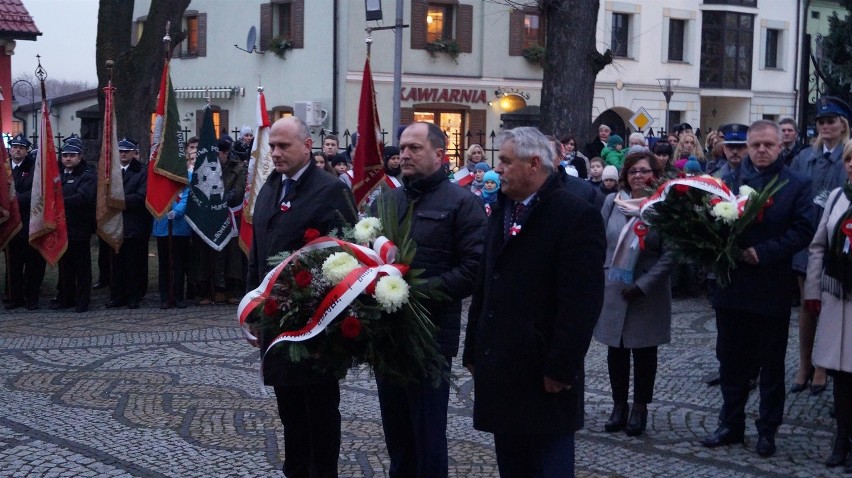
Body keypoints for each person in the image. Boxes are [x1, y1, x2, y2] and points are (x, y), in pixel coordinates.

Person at [463, 126, 605, 477]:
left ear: (534, 164)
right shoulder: (503, 209)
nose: (499, 170)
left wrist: (561, 366)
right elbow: (485, 282)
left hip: (543, 370)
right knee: (513, 465)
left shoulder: (574, 214)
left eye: (507, 162)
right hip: (502, 367)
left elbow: (581, 303)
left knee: (548, 463)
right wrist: (473, 349)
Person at [372, 121, 486, 478]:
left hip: (431, 335)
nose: (404, 154)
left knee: (427, 434)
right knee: (397, 434)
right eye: (402, 147)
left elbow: (473, 269)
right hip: (387, 335)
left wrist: (416, 292)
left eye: (414, 148)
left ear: (439, 154)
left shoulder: (462, 203)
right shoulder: (387, 200)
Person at [247, 117, 358, 478]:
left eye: (284, 146)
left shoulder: (330, 190)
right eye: (273, 146)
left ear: (307, 146)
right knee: (289, 409)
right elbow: (258, 248)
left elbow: (347, 256)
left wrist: (317, 307)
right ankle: (296, 470)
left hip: (316, 325)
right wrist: (253, 303)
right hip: (275, 322)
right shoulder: (270, 185)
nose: (276, 153)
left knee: (319, 411)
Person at [700, 120, 814, 457]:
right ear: (746, 147)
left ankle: (767, 429)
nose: (761, 150)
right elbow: (709, 221)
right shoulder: (726, 181)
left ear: (780, 146)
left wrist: (763, 253)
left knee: (771, 365)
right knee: (731, 361)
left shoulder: (797, 183)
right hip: (731, 286)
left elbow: (803, 229)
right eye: (755, 145)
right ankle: (730, 424)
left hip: (770, 287)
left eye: (768, 144)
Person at [596, 152, 675, 437]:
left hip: (647, 290)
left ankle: (640, 407)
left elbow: (671, 254)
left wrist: (644, 285)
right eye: (633, 172)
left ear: (655, 174)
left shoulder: (664, 207)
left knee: (644, 352)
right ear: (624, 176)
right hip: (615, 287)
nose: (638, 176)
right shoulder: (611, 203)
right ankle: (619, 405)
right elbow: (598, 239)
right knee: (615, 350)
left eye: (644, 171)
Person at [789, 95, 852, 395]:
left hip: (840, 243)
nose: (826, 126)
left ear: (843, 125)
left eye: (832, 121)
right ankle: (804, 364)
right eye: (822, 122)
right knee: (807, 304)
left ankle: (824, 367)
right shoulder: (804, 157)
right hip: (808, 242)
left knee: (830, 306)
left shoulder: (849, 155)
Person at [803, 140, 852, 471]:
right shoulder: (837, 198)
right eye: (849, 161)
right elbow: (818, 245)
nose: (851, 166)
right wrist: (813, 290)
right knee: (841, 378)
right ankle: (841, 440)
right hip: (838, 299)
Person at [51, 137, 96, 313]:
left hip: (79, 228)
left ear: (80, 157)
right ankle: (66, 298)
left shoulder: (87, 175)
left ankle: (83, 300)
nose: (68, 158)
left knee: (81, 266)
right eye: (65, 155)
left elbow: (83, 197)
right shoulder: (59, 175)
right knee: (65, 266)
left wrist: (58, 202)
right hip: (61, 228)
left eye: (72, 155)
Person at [106, 137, 151, 309]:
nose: (123, 154)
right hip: (115, 224)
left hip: (135, 224)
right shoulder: (111, 171)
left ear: (134, 153)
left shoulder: (142, 172)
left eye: (126, 151)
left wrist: (117, 200)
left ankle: (134, 295)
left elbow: (141, 197)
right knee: (116, 263)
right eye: (120, 151)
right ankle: (118, 295)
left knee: (134, 262)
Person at [5, 134, 44, 310]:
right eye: (14, 147)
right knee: (13, 265)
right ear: (10, 149)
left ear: (27, 150)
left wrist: (14, 200)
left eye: (21, 147)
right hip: (10, 226)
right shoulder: (4, 169)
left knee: (33, 264)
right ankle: (15, 297)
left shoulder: (34, 168)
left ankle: (32, 298)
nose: (17, 150)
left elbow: (37, 192)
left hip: (30, 222)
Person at [152, 156, 192, 310]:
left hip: (180, 227)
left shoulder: (186, 176)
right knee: (164, 264)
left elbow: (186, 196)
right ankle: (165, 296)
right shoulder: (159, 175)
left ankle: (178, 296)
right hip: (162, 226)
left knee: (179, 264)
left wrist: (177, 211)